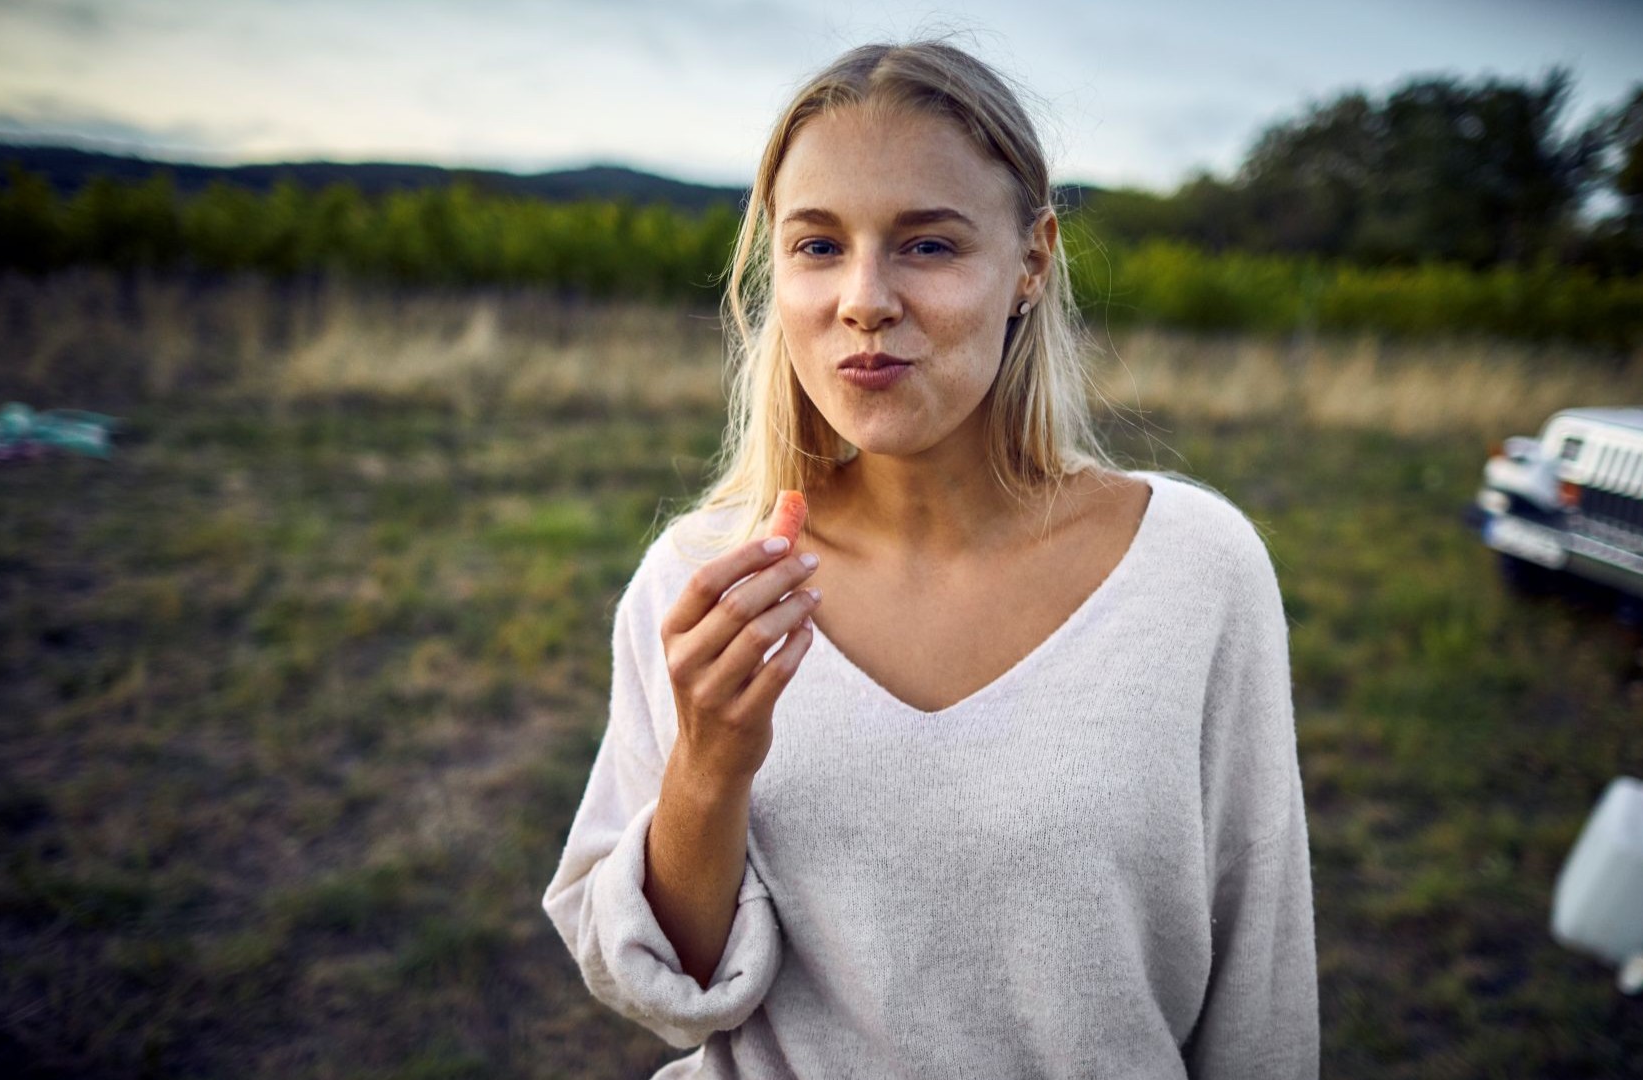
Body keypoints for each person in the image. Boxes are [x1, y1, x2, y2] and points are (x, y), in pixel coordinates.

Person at [544, 37, 1318, 1079]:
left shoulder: (1195, 571)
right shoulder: (701, 583)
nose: (864, 298)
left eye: (927, 245)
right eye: (819, 246)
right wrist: (709, 765)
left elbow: (1263, 995)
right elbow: (663, 994)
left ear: (1031, 263)